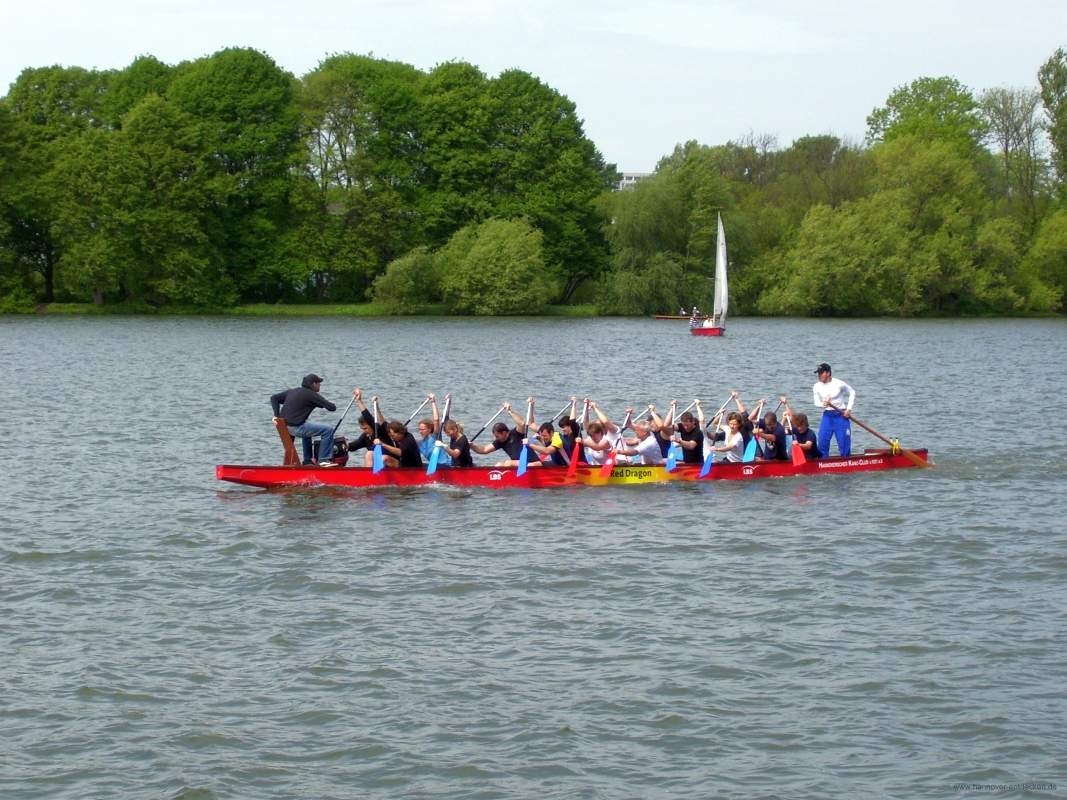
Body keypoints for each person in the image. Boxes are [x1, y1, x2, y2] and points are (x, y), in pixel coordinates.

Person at [270, 373, 338, 466]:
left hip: (285, 427)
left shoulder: (293, 391)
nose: (320, 385)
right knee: (328, 430)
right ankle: (323, 460)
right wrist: (321, 403)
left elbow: (274, 398)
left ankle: (307, 461)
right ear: (314, 384)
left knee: (307, 427)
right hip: (295, 428)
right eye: (319, 383)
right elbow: (332, 408)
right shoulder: (311, 394)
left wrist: (277, 416)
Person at [470, 400, 537, 466]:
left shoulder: (516, 433)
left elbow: (522, 424)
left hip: (531, 462)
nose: (496, 438)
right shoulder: (499, 442)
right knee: (498, 465)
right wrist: (472, 446)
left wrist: (509, 411)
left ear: (504, 433)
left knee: (508, 463)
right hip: (518, 465)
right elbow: (484, 450)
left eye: (497, 436)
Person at [812, 362, 856, 456]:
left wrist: (849, 409)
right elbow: (816, 402)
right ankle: (823, 464)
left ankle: (846, 463)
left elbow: (852, 392)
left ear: (828, 373)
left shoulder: (839, 383)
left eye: (821, 373)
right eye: (818, 373)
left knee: (844, 444)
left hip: (841, 415)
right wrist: (823, 404)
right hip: (827, 416)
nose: (819, 375)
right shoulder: (816, 386)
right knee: (822, 442)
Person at [416, 393, 451, 467]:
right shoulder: (420, 443)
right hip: (434, 466)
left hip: (445, 465)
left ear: (429, 429)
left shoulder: (435, 436)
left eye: (422, 429)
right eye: (419, 429)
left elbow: (436, 420)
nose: (420, 431)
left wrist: (433, 402)